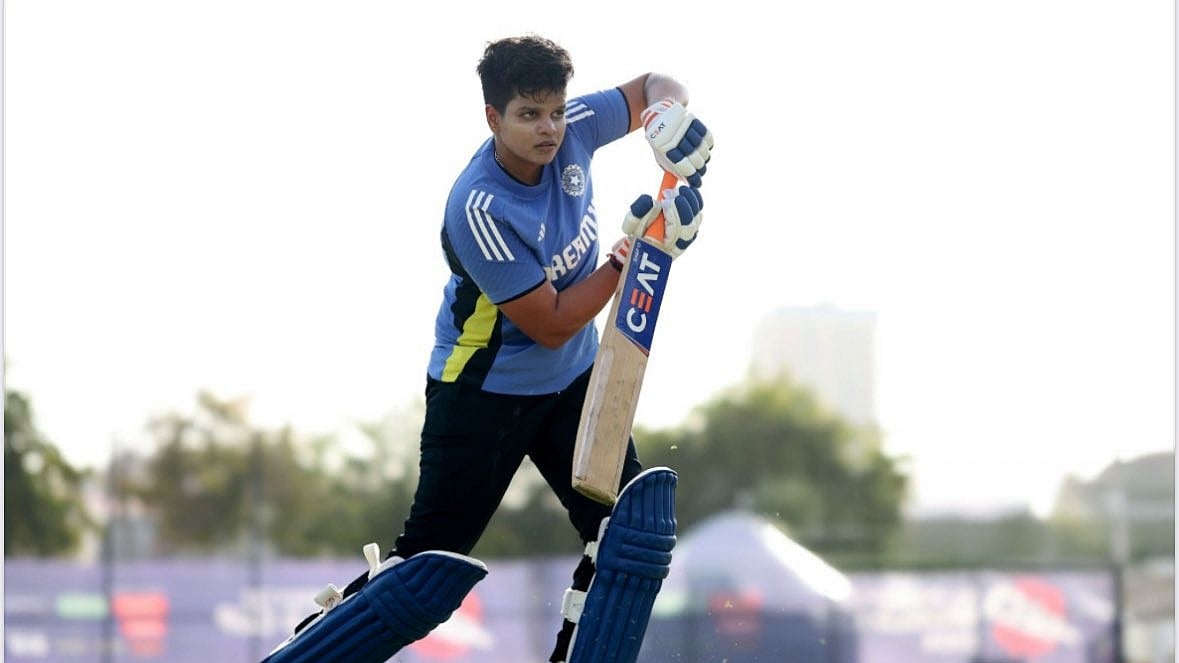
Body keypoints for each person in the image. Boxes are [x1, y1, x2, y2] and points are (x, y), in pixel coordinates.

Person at [262, 34, 712, 663]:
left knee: (629, 538)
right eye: (529, 116)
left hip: (573, 381)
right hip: (481, 395)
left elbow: (651, 86)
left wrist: (668, 114)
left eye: (555, 111)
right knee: (422, 577)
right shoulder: (478, 205)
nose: (549, 129)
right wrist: (633, 257)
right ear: (493, 118)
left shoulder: (574, 129)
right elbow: (548, 322)